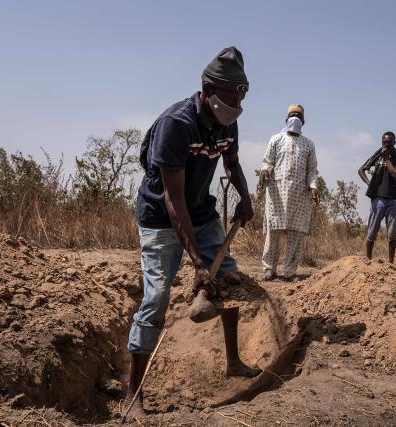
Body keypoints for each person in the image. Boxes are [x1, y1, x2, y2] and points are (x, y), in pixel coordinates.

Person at [126, 47, 261, 417]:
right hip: (161, 217)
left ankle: (233, 361)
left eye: (242, 94)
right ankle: (133, 396)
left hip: (201, 212)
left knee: (229, 280)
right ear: (207, 88)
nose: (237, 102)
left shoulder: (227, 120)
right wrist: (198, 263)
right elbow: (173, 200)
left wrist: (244, 197)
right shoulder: (177, 124)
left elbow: (232, 163)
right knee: (156, 298)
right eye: (231, 94)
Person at [260, 104, 319, 281]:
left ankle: (290, 271)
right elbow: (267, 161)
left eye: (298, 115)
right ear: (286, 119)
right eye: (292, 115)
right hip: (277, 192)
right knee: (273, 232)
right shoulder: (276, 139)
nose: (295, 118)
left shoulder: (309, 144)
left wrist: (314, 188)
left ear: (303, 121)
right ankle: (269, 269)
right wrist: (265, 170)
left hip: (300, 195)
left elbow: (312, 170)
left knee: (296, 234)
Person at [358, 131, 396, 263]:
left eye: (389, 142)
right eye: (384, 142)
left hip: (393, 199)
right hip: (378, 198)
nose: (386, 144)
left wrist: (387, 159)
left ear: (394, 142)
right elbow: (361, 170)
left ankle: (391, 264)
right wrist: (369, 184)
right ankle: (368, 261)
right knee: (372, 232)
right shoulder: (377, 153)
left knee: (392, 234)